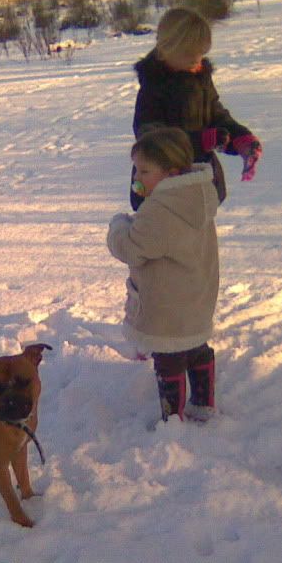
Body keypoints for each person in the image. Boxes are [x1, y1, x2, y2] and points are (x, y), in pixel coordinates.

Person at [107, 127, 220, 423]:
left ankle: (172, 420)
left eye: (145, 171)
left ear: (170, 173)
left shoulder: (162, 210)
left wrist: (119, 226)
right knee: (196, 348)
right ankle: (204, 403)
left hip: (167, 304)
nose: (137, 178)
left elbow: (132, 248)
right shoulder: (195, 197)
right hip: (195, 296)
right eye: (136, 170)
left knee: (169, 357)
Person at [130, 6, 262, 213]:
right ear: (165, 49)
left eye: (200, 54)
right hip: (161, 185)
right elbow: (149, 138)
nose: (196, 60)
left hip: (200, 178)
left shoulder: (200, 78)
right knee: (167, 240)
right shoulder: (154, 88)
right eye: (189, 53)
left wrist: (241, 139)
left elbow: (216, 115)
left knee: (199, 237)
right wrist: (200, 141)